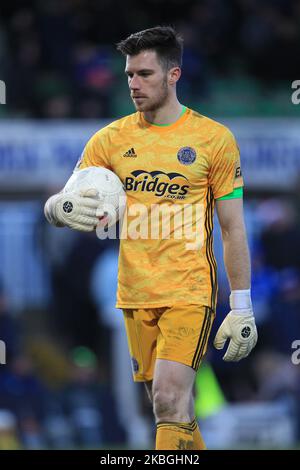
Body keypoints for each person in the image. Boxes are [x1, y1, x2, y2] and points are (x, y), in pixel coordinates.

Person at [44, 26, 258, 450]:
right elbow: (67, 200)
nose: (133, 85)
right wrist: (57, 209)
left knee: (168, 397)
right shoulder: (110, 139)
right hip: (135, 293)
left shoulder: (214, 140)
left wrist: (241, 305)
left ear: (173, 74)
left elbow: (233, 228)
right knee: (170, 411)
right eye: (128, 75)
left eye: (144, 74)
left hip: (190, 291)